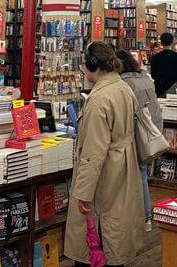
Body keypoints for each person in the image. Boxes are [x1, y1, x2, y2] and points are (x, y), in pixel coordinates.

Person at [64, 42, 145, 267]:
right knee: (117, 231)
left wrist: (83, 193)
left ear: (93, 65)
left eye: (84, 65)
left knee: (98, 235)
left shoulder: (98, 100)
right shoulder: (122, 87)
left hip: (105, 174)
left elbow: (93, 153)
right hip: (123, 167)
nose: (82, 69)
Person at [115, 49, 162, 232]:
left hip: (136, 133)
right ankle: (145, 216)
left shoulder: (125, 83)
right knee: (141, 172)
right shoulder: (144, 77)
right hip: (152, 130)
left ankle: (144, 216)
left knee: (138, 173)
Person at [149, 32, 177, 97]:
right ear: (172, 42)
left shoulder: (155, 57)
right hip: (175, 89)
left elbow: (153, 75)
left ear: (161, 42)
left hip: (159, 89)